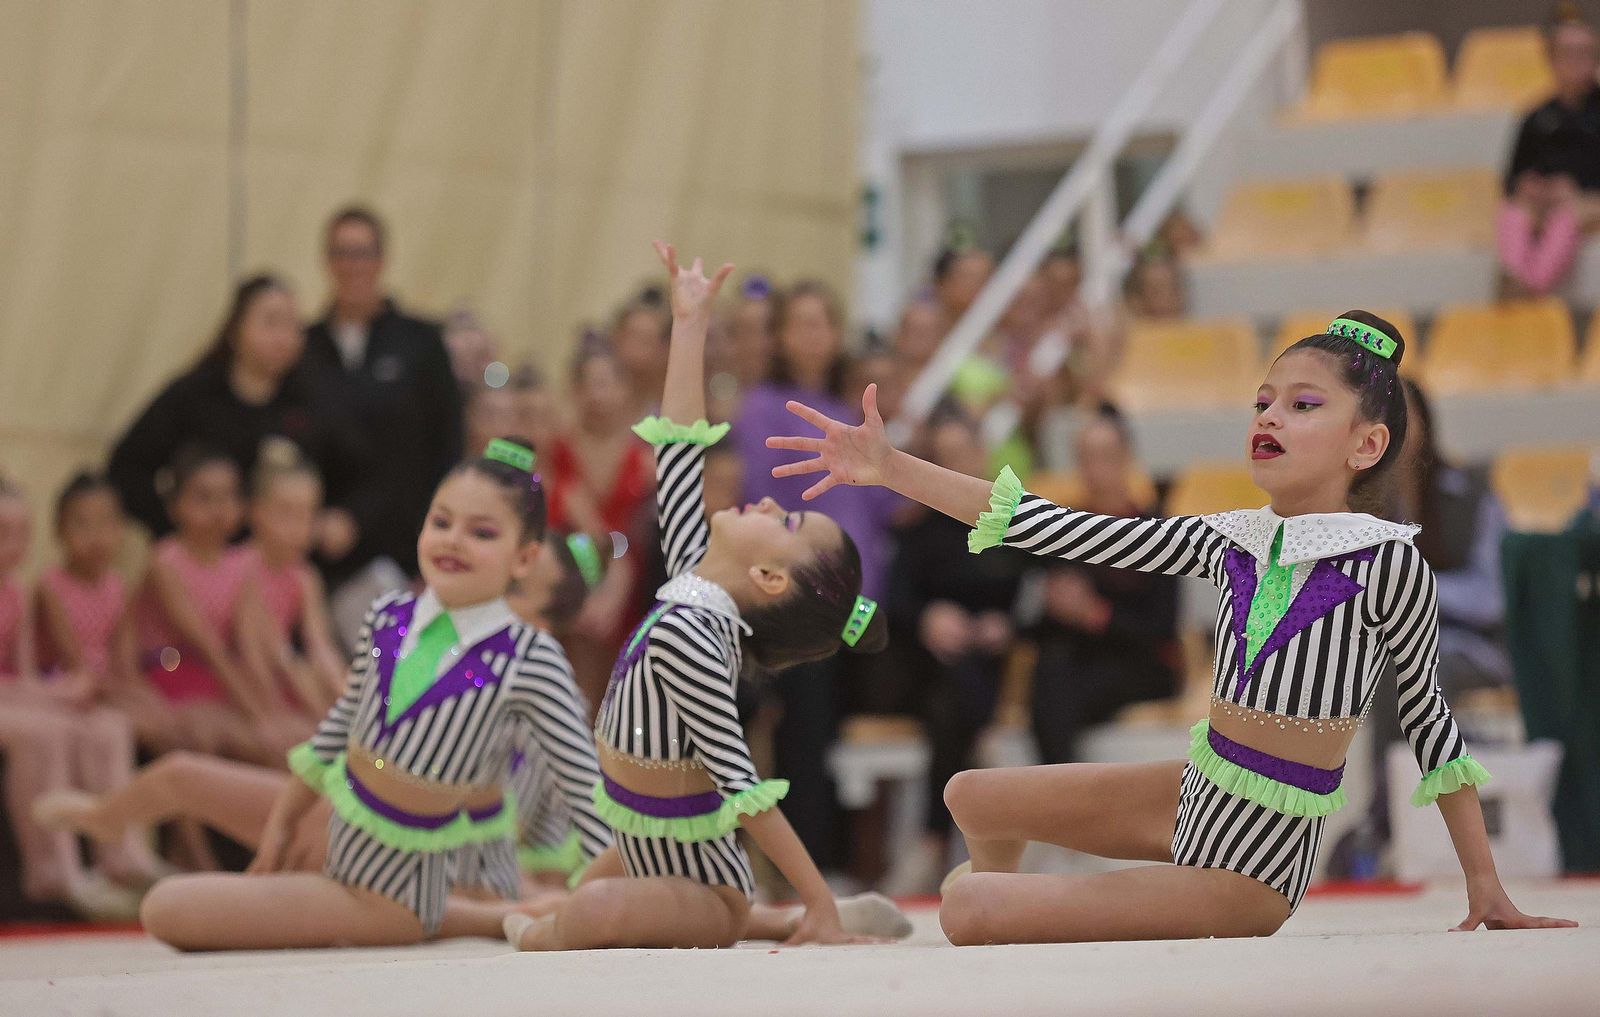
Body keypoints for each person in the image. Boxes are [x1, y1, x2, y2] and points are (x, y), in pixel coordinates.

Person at [768, 310, 1577, 943]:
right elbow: (1049, 525)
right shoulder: (1230, 537)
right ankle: (1002, 911)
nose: (1271, 416)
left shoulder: (1388, 560)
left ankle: (993, 908)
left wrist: (1486, 887)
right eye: (1263, 400)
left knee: (969, 907)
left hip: (1252, 868)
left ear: (1367, 443)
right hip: (1194, 795)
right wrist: (891, 467)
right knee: (970, 794)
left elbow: (1432, 724)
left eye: (1302, 405)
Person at [503, 243, 889, 952]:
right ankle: (777, 916)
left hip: (706, 884)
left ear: (768, 578)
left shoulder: (694, 636)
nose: (767, 502)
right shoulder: (691, 573)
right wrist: (689, 324)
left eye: (786, 522)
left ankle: (775, 912)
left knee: (580, 917)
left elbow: (745, 791)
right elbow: (680, 444)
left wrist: (819, 906)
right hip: (643, 843)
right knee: (568, 898)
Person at [135, 437, 610, 950]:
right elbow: (340, 729)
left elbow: (583, 789)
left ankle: (474, 916)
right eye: (441, 522)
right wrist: (285, 822)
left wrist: (602, 896)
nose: (453, 541)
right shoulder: (388, 616)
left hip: (399, 888)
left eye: (481, 533)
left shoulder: (529, 657)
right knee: (175, 834)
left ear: (523, 559)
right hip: (343, 840)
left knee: (169, 909)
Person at [881, 413, 1030, 896]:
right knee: (952, 690)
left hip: (991, 665)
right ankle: (982, 741)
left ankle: (930, 842)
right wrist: (928, 618)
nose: (954, 467)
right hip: (929, 666)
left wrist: (1005, 624)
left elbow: (1037, 593)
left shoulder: (1014, 521)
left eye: (962, 454)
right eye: (942, 459)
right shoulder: (917, 528)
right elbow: (893, 601)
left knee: (953, 699)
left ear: (982, 455)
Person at [0, 479, 157, 914]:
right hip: (12, 704)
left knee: (105, 727)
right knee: (45, 732)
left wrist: (57, 692)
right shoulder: (44, 587)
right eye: (2, 533)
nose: (14, 546)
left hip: (13, 697)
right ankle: (52, 867)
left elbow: (26, 675)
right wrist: (52, 695)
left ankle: (122, 855)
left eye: (22, 534)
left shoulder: (15, 591)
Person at [108, 274, 361, 541]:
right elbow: (127, 467)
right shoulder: (194, 394)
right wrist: (175, 529)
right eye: (271, 322)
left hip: (278, 557)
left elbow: (358, 472)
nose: (283, 337)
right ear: (235, 330)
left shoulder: (311, 400)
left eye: (293, 325)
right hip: (204, 556)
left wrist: (344, 517)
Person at [302, 206, 463, 584]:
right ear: (327, 261)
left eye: (362, 253)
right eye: (342, 253)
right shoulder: (305, 347)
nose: (352, 265)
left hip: (404, 552)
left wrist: (437, 549)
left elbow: (446, 447)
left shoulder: (420, 342)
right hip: (321, 557)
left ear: (381, 260)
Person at [1026, 407, 1181, 765]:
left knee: (1059, 687)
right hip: (1079, 661)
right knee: (1051, 672)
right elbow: (1036, 626)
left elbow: (1161, 626)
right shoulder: (1062, 531)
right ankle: (1063, 783)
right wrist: (1051, 606)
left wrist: (1096, 614)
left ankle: (1059, 785)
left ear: (1126, 458)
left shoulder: (1156, 533)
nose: (1095, 468)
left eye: (1105, 457)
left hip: (1139, 662)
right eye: (1086, 457)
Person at [128, 448, 274, 764]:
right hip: (168, 672)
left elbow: (251, 647)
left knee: (288, 732)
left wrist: (269, 707)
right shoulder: (166, 561)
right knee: (216, 733)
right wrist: (258, 717)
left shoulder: (244, 564)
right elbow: (207, 646)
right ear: (175, 506)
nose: (218, 510)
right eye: (204, 498)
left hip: (218, 678)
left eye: (228, 497)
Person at [234, 447, 347, 726]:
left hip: (281, 673)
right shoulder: (241, 568)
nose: (300, 527)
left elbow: (320, 646)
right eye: (287, 513)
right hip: (238, 681)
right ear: (256, 511)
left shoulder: (303, 575)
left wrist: (347, 696)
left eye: (309, 514)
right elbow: (266, 653)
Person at [1498, 6, 1600, 296]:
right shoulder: (1537, 117)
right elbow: (1513, 175)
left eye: (1585, 53)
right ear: (1552, 59)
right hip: (1546, 202)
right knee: (1514, 214)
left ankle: (1532, 288)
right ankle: (1517, 280)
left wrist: (1577, 190)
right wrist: (1528, 186)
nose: (1576, 62)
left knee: (1566, 217)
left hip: (1586, 202)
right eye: (1568, 53)